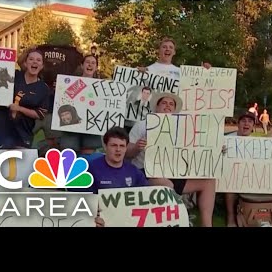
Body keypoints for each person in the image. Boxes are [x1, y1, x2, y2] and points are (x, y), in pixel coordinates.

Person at [126, 91, 216, 227]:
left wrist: (215, 149)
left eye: (171, 104)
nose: (167, 106)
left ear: (174, 109)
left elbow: (197, 149)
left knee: (208, 181)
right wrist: (137, 147)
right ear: (156, 107)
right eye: (164, 103)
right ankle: (177, 219)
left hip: (174, 172)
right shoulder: (142, 125)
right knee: (167, 184)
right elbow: (126, 153)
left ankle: (206, 224)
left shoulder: (182, 127)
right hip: (147, 173)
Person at [0, 48, 50, 148]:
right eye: (31, 59)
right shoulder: (12, 75)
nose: (34, 62)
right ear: (25, 63)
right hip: (2, 125)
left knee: (20, 160)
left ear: (42, 66)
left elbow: (40, 114)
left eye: (38, 60)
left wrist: (20, 109)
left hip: (23, 131)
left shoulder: (43, 88)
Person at [87, 127, 148, 193]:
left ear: (126, 148)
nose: (118, 149)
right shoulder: (91, 169)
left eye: (122, 146)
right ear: (105, 146)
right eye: (114, 145)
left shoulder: (134, 172)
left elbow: (147, 194)